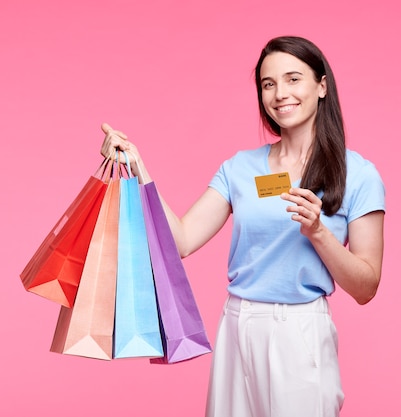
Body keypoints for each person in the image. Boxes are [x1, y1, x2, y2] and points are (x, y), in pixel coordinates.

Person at [100, 35, 385, 417]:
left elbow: (366, 287)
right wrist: (136, 167)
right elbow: (181, 240)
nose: (280, 93)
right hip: (238, 323)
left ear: (321, 86)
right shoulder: (239, 168)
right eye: (269, 84)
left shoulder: (359, 175)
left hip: (299, 329)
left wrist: (318, 231)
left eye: (293, 79)